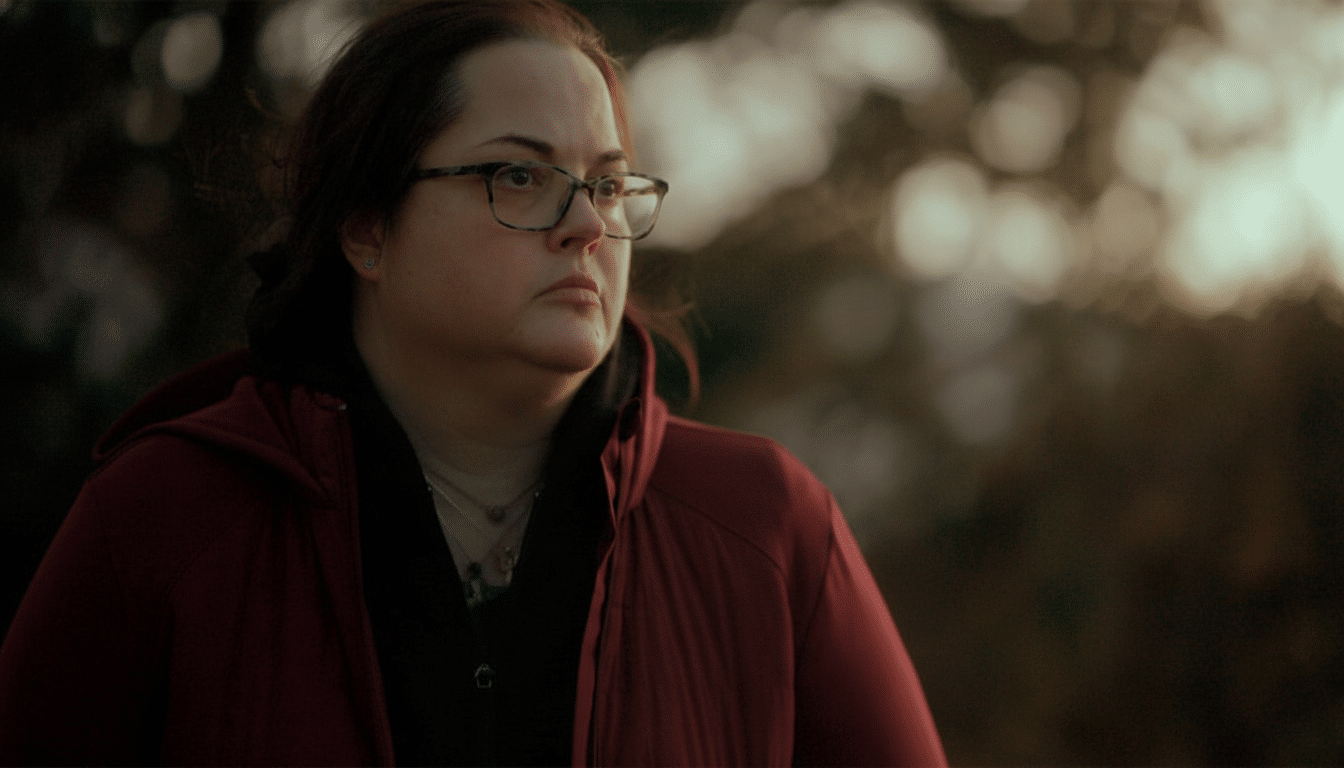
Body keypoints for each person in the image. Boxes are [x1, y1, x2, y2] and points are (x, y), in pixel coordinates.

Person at [0, 1, 946, 765]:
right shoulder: (162, 518)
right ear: (366, 230)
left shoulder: (769, 527)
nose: (586, 226)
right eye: (518, 176)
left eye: (610, 186)